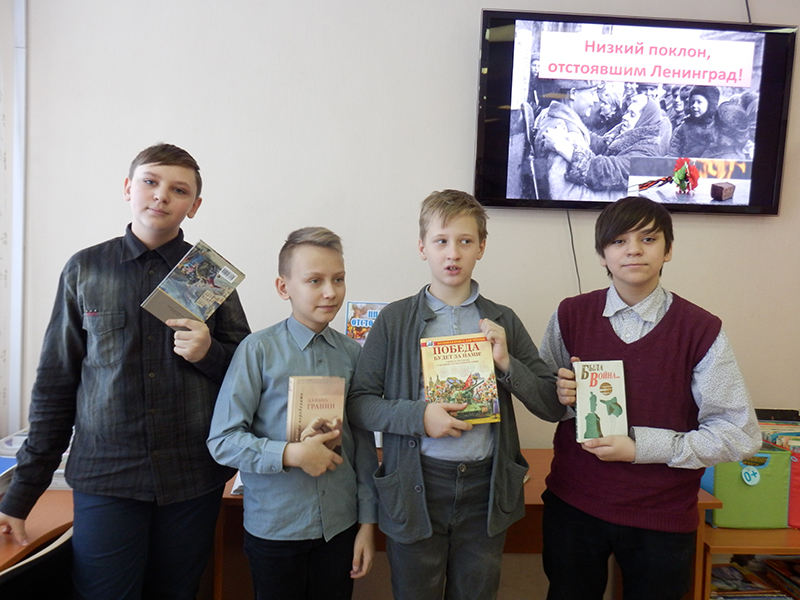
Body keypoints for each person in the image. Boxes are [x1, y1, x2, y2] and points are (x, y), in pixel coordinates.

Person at [0, 143, 251, 599]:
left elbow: (249, 376)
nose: (161, 195)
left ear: (194, 206)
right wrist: (20, 495)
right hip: (106, 476)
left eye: (179, 190)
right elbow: (55, 384)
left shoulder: (208, 275)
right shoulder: (85, 269)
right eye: (150, 182)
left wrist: (210, 353)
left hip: (191, 477)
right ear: (127, 188)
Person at [538, 196, 761, 600]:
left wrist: (642, 447)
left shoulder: (700, 329)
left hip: (661, 515)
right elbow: (546, 399)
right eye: (619, 241)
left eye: (648, 238)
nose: (634, 250)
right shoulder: (570, 314)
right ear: (602, 255)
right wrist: (560, 393)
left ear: (668, 250)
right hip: (574, 504)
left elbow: (739, 434)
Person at [348, 190, 564, 600]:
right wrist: (419, 417)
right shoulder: (394, 320)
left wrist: (507, 364)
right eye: (441, 241)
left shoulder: (502, 319)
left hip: (485, 489)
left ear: (481, 247)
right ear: (422, 248)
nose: (453, 253)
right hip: (416, 484)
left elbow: (551, 405)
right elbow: (359, 403)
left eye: (465, 241)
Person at [206, 227, 377, 600]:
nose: (330, 291)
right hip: (276, 529)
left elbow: (362, 446)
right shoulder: (257, 351)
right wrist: (290, 453)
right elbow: (223, 440)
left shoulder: (353, 354)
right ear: (284, 288)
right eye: (315, 281)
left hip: (340, 527)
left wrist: (367, 524)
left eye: (338, 279)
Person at [541, 94, 663, 200]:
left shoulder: (648, 155)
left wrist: (560, 145)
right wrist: (571, 122)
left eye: (632, 115)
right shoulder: (625, 139)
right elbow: (601, 144)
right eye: (627, 112)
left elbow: (608, 171)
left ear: (645, 122)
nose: (624, 117)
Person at [532, 79, 603, 200]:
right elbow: (564, 195)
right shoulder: (567, 131)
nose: (596, 99)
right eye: (592, 93)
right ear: (573, 93)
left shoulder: (548, 114)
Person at [669, 85, 720, 158]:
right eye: (692, 102)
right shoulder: (685, 126)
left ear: (710, 104)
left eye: (699, 102)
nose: (694, 105)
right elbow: (675, 148)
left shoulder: (717, 127)